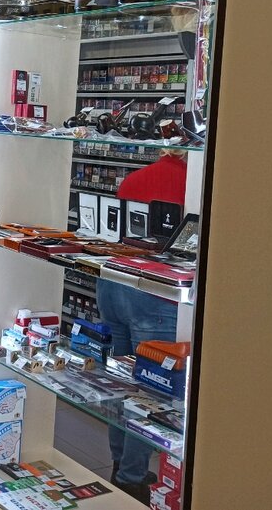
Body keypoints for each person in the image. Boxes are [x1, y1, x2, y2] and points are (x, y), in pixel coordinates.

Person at [96, 151, 186, 503]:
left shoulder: (135, 178)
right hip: (154, 294)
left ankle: (120, 463)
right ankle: (132, 477)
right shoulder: (192, 183)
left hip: (113, 283)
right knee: (150, 390)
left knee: (120, 381)